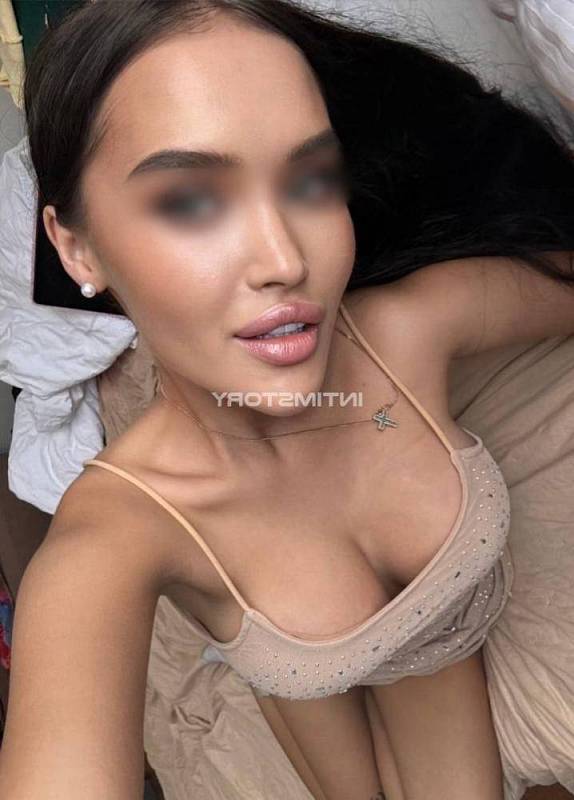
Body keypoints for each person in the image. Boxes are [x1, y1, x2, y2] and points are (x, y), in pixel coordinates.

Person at [1, 1, 574, 799]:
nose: (285, 261)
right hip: (303, 677)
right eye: (191, 201)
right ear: (76, 247)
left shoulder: (405, 334)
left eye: (310, 181)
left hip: (433, 654)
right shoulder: (115, 538)